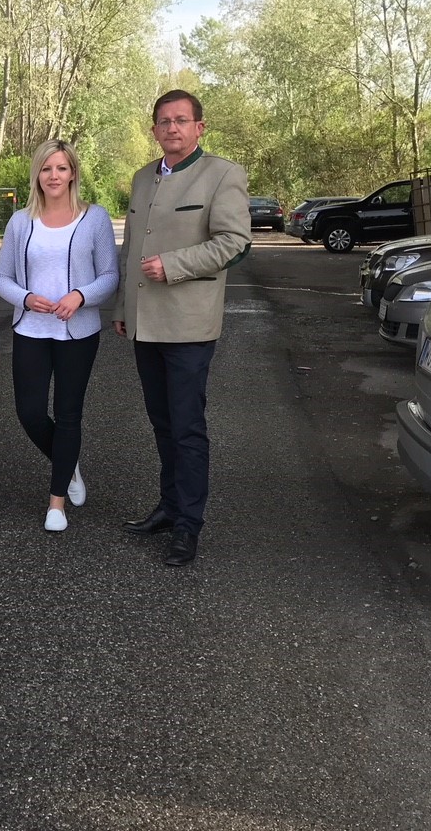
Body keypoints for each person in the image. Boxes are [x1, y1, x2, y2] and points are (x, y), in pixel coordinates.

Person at [112, 90, 251, 566]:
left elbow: (235, 243)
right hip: (143, 323)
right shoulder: (142, 177)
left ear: (199, 128)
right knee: (162, 423)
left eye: (181, 120)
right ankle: (169, 508)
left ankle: (189, 525)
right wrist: (122, 305)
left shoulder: (222, 175)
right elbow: (131, 247)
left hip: (188, 324)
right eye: (164, 121)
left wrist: (173, 265)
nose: (172, 128)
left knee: (187, 427)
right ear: (153, 129)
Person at [0, 139, 119, 532]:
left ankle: (56, 504)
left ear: (73, 173)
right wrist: (26, 298)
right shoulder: (20, 222)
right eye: (46, 168)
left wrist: (80, 295)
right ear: (37, 174)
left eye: (61, 168)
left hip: (77, 334)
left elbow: (110, 276)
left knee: (68, 415)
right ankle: (68, 463)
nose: (54, 176)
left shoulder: (94, 218)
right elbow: (2, 278)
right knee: (30, 413)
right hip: (31, 330)